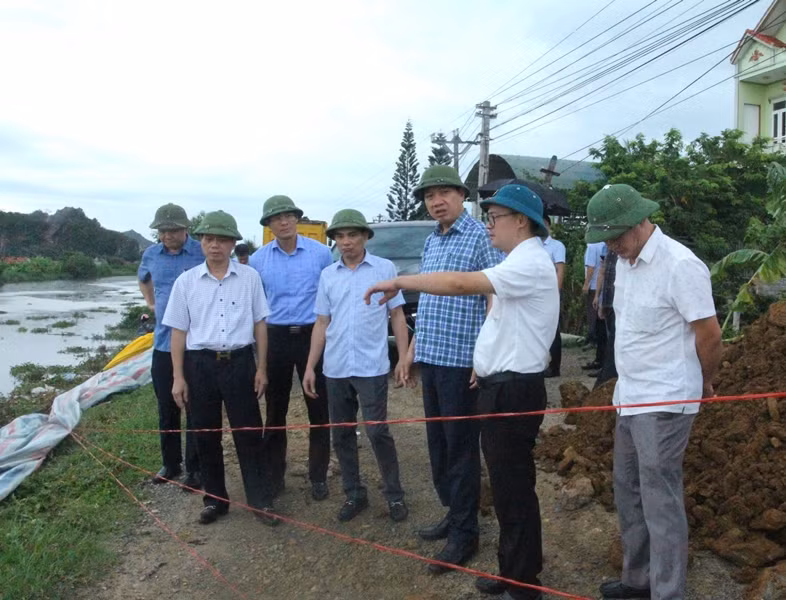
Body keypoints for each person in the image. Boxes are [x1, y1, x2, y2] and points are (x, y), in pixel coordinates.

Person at [365, 184, 557, 600]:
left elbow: (457, 285)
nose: (491, 227)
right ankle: (513, 573)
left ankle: (524, 586)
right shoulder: (517, 259)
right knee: (506, 489)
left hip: (512, 391)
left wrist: (399, 280)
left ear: (520, 221)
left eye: (496, 218)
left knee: (514, 491)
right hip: (499, 385)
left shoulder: (528, 263)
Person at [585, 184, 721, 600]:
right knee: (628, 490)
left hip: (665, 401)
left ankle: (667, 592)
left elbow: (710, 336)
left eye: (616, 237)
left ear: (641, 222)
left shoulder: (680, 264)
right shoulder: (625, 261)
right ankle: (637, 580)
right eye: (606, 239)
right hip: (630, 397)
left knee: (660, 501)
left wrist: (706, 382)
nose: (611, 246)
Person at [396, 165, 501, 574]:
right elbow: (428, 304)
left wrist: (484, 354)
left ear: (461, 195)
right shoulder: (431, 241)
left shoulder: (480, 237)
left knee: (460, 449)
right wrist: (409, 354)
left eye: (444, 193)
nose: (436, 201)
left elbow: (495, 295)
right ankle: (454, 513)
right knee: (438, 445)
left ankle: (465, 535)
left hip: (463, 362)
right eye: (429, 195)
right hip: (433, 358)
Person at [163, 210, 280, 527]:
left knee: (248, 433)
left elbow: (260, 324)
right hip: (199, 365)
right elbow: (178, 332)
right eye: (209, 239)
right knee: (206, 434)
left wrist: (262, 368)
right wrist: (178, 377)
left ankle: (260, 499)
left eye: (222, 239)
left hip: (240, 362)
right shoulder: (186, 282)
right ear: (201, 242)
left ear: (233, 244)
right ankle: (215, 500)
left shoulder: (249, 277)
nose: (215, 245)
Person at [303, 209, 409, 523]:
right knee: (342, 435)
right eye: (340, 236)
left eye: (352, 235)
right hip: (335, 368)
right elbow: (322, 322)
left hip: (371, 366)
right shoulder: (328, 275)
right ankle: (354, 493)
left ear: (365, 237)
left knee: (378, 433)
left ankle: (394, 495)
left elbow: (398, 316)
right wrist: (311, 366)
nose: (346, 242)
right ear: (334, 240)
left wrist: (403, 358)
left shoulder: (384, 269)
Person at [248, 195, 333, 502]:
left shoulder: (322, 254)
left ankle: (318, 475)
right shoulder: (258, 261)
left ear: (297, 219)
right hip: (275, 337)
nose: (283, 222)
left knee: (319, 409)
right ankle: (274, 475)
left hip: (313, 335)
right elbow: (256, 306)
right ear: (268, 225)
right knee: (275, 410)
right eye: (276, 218)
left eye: (288, 216)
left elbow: (332, 294)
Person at [138, 203, 204, 488]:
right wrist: (151, 302)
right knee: (167, 406)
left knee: (195, 408)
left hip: (197, 344)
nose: (167, 235)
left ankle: (195, 468)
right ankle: (171, 463)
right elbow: (143, 279)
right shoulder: (151, 255)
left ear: (185, 229)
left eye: (173, 230)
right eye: (162, 231)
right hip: (164, 344)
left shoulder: (202, 252)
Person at [542, 215, 565, 378]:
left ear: (548, 226)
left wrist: (555, 293)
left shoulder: (556, 246)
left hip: (551, 293)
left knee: (553, 330)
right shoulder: (532, 245)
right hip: (536, 294)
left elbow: (560, 270)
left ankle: (554, 366)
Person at [593, 248, 618, 387]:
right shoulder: (608, 251)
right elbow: (602, 273)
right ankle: (607, 373)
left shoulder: (626, 252)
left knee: (614, 340)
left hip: (620, 304)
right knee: (610, 340)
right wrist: (599, 297)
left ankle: (608, 376)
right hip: (608, 301)